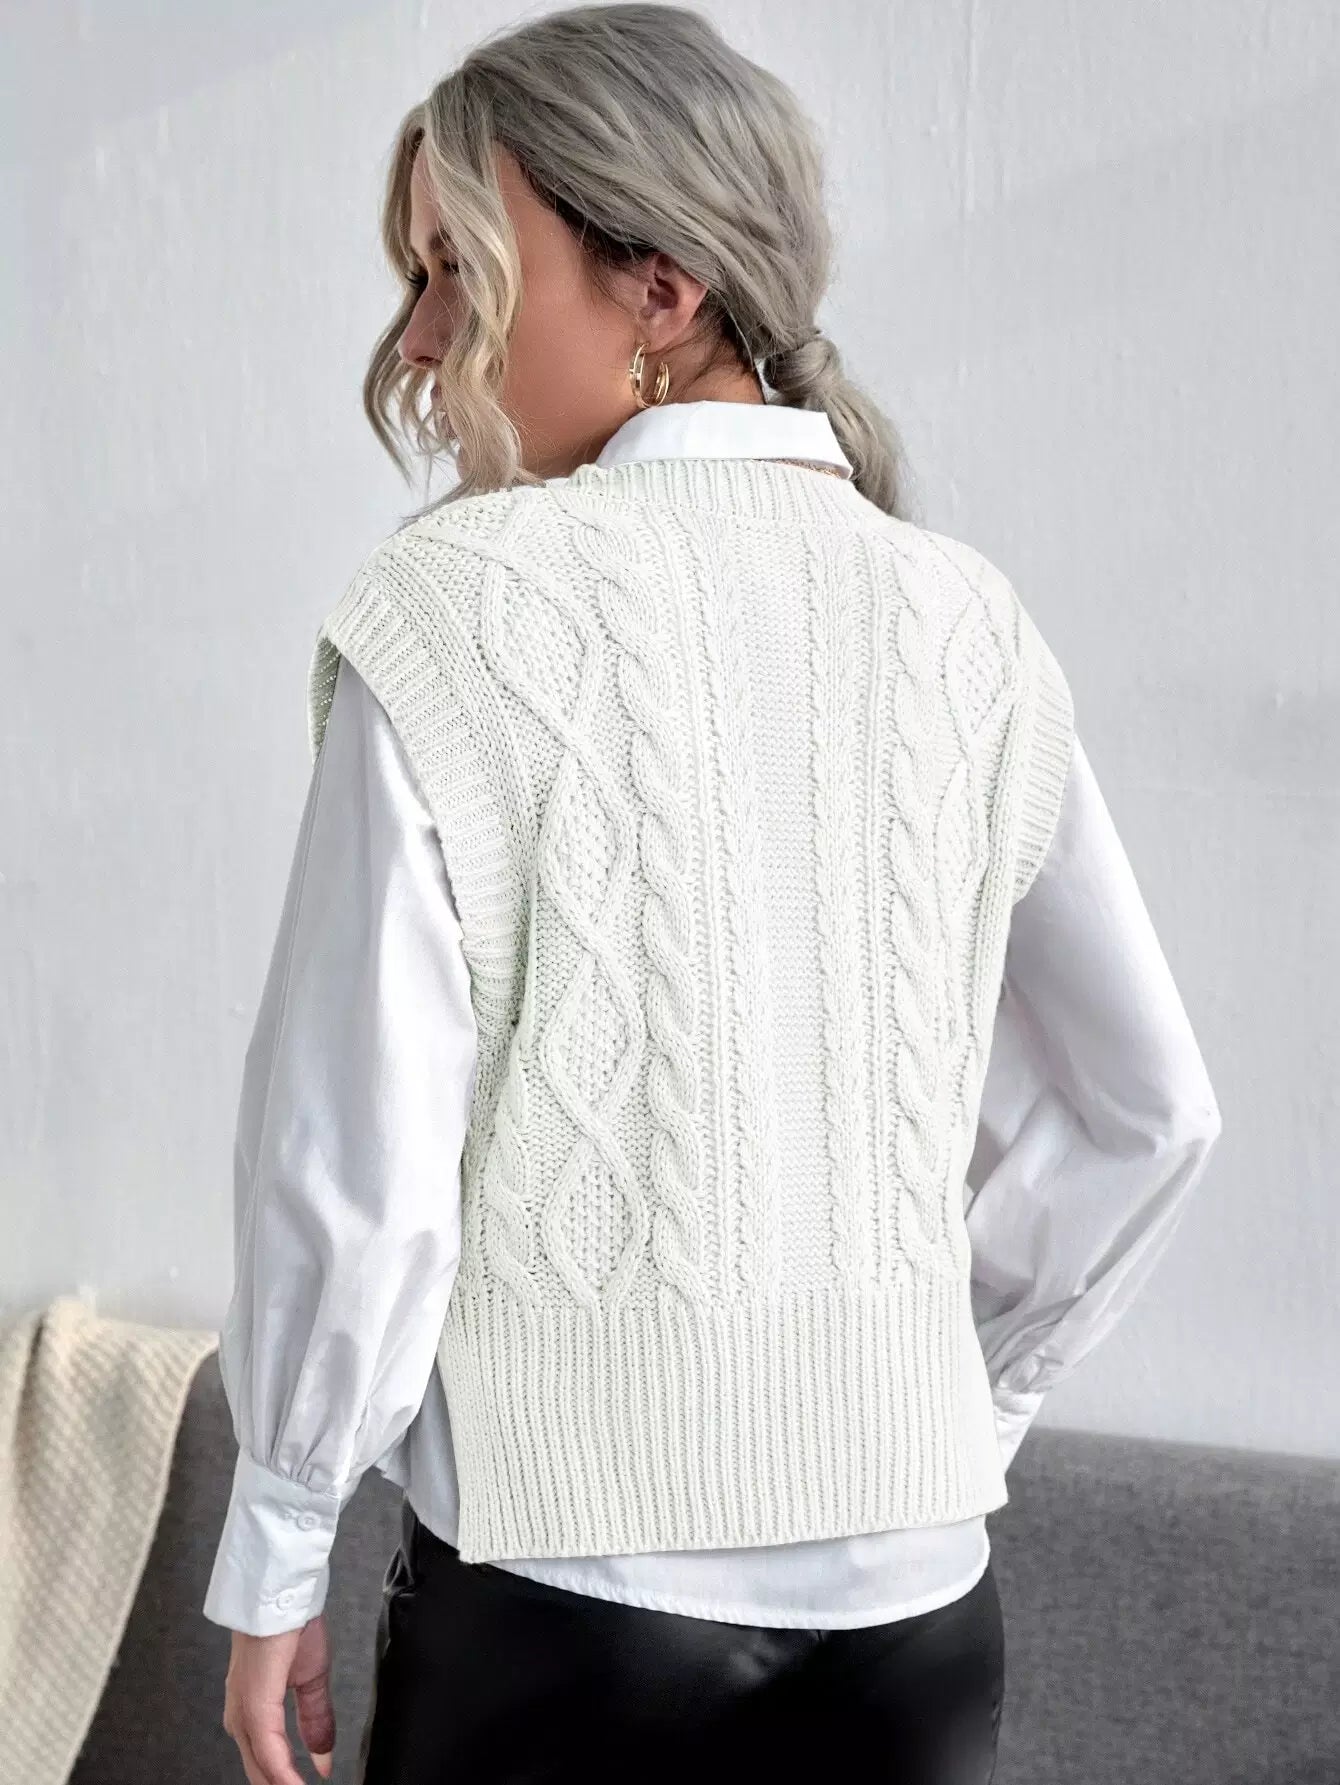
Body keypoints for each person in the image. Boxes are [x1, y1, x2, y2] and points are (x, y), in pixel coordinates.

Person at [203, 7, 1223, 1782]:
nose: (423, 341)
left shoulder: (455, 609)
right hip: (921, 1618)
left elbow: (358, 1156)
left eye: (458, 270)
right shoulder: (968, 621)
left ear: (661, 291)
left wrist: (281, 1545)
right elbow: (1148, 1110)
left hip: (567, 1612)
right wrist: (942, 1410)